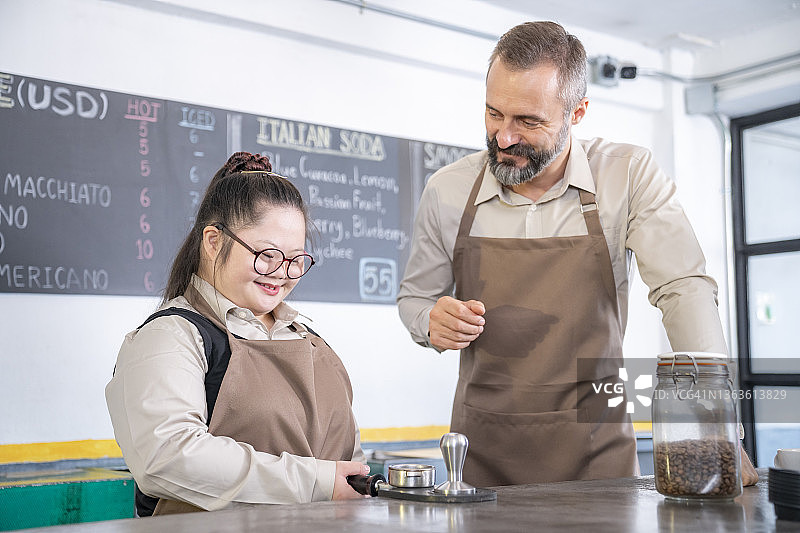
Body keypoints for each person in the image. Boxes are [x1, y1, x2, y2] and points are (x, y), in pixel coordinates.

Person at [397, 21, 758, 487]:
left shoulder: (628, 176)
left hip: (598, 452)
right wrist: (430, 322)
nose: (504, 137)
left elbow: (683, 288)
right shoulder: (447, 190)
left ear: (578, 112)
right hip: (481, 454)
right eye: (493, 113)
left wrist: (716, 425)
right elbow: (415, 298)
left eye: (528, 122)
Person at [106, 152, 369, 516]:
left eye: (295, 260)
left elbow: (351, 462)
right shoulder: (171, 336)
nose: (281, 273)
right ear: (213, 241)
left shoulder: (311, 342)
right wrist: (314, 482)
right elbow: (166, 457)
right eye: (267, 254)